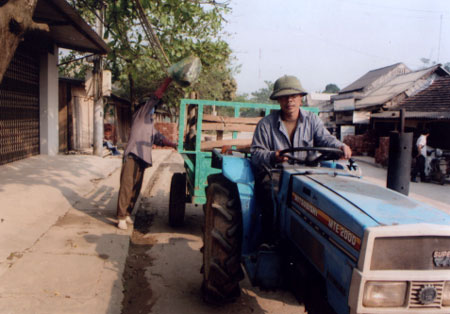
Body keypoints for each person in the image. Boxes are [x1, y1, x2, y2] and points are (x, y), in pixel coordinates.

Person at [250, 75, 351, 243]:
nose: (289, 101)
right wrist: (273, 156)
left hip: (308, 173)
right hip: (276, 174)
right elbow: (256, 154)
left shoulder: (312, 120)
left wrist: (340, 146)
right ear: (278, 100)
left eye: (293, 96)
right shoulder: (266, 124)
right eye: (284, 97)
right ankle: (269, 241)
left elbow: (326, 139)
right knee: (269, 198)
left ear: (300, 99)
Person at [116, 77, 177, 230]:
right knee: (127, 185)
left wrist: (174, 144)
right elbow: (155, 96)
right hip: (132, 155)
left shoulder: (149, 123)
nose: (153, 108)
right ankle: (121, 216)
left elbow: (160, 139)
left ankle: (128, 213)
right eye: (151, 105)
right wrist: (167, 82)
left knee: (136, 187)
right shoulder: (140, 115)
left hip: (142, 158)